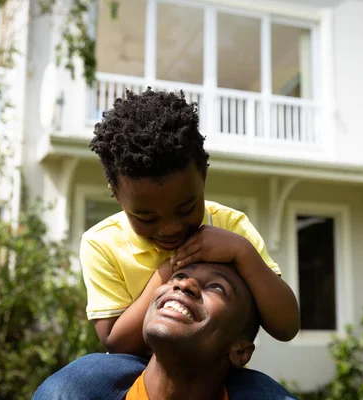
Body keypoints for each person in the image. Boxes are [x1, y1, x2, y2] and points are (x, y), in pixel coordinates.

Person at [42, 89, 300, 398]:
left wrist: (242, 252)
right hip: (133, 366)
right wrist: (170, 269)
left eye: (185, 208)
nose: (170, 228)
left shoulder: (231, 227)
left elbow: (285, 326)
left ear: (203, 176)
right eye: (146, 217)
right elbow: (116, 341)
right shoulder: (102, 242)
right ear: (116, 194)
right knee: (73, 384)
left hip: (213, 367)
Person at [33, 263, 297, 400]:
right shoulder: (71, 391)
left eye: (217, 288)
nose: (185, 285)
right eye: (178, 275)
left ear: (240, 351)